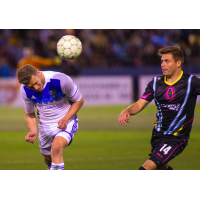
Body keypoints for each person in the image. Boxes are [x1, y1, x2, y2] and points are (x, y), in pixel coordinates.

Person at [118, 46, 200, 170]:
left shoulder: (191, 82)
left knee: (145, 168)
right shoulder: (156, 83)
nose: (163, 64)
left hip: (176, 138)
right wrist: (127, 110)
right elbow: (140, 104)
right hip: (157, 135)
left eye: (167, 61)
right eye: (162, 61)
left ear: (178, 63)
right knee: (162, 168)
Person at [17, 64, 84, 170]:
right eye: (31, 86)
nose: (36, 88)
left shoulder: (60, 79)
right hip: (45, 126)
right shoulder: (24, 90)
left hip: (66, 121)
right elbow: (30, 114)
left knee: (56, 149)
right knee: (48, 160)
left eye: (35, 83)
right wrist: (34, 130)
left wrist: (65, 119)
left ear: (38, 72)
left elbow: (79, 101)